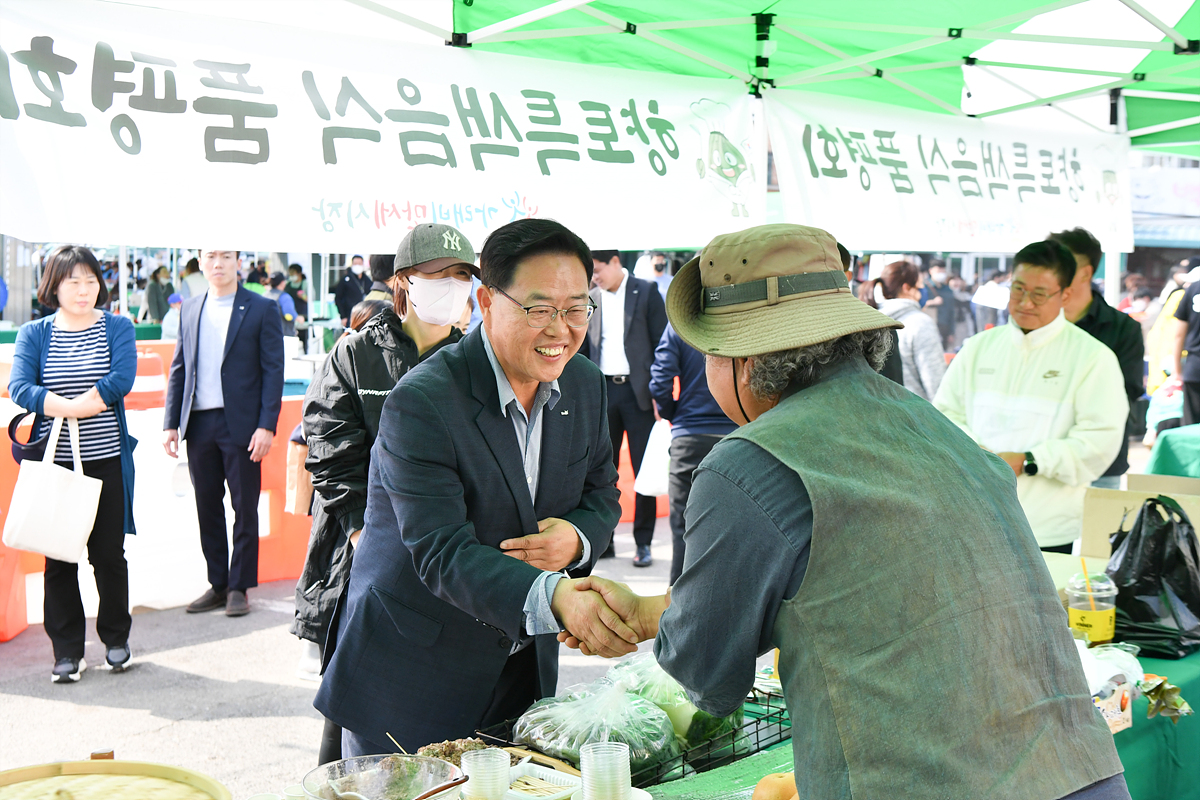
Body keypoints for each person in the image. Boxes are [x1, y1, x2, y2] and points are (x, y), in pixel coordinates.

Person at [557, 223, 1131, 800]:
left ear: (744, 360)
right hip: (1081, 771)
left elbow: (704, 672)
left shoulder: (748, 462)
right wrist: (654, 610)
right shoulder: (938, 430)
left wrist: (669, 624)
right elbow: (851, 588)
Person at [315, 218, 630, 756]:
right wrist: (557, 596)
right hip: (414, 670)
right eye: (539, 309)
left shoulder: (584, 383)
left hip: (522, 666)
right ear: (486, 301)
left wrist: (576, 539)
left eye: (576, 308)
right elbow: (441, 551)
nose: (560, 329)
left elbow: (602, 493)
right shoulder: (424, 400)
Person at [298, 224, 476, 764]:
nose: (453, 287)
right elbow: (329, 446)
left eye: (463, 277)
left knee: (439, 704)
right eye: (438, 276)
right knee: (358, 704)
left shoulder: (473, 362)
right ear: (403, 283)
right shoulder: (355, 356)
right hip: (366, 556)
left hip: (446, 558)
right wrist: (362, 533)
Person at [934, 240, 1128, 552]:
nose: (1025, 302)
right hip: (972, 517)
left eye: (1039, 294)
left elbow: (1099, 440)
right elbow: (942, 417)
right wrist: (975, 452)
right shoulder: (978, 348)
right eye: (1018, 289)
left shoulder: (1093, 358)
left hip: (1048, 529)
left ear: (1065, 294)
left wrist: (1029, 461)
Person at [8, 245, 138, 683]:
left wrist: (85, 405)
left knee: (108, 555)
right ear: (54, 286)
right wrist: (65, 407)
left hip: (105, 463)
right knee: (58, 559)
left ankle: (116, 639)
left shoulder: (117, 326)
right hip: (55, 466)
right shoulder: (35, 333)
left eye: (90, 281)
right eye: (73, 282)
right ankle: (67, 651)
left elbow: (121, 377)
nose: (84, 291)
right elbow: (20, 387)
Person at [163, 249, 285, 617]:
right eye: (211, 256)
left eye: (226, 256)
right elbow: (179, 367)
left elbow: (273, 371)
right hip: (199, 423)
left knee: (244, 507)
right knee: (207, 507)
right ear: (201, 263)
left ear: (238, 263)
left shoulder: (261, 308)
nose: (218, 264)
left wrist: (267, 425)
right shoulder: (190, 307)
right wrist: (171, 421)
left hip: (244, 425)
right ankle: (217, 583)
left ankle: (239, 586)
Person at [585, 250, 667, 567]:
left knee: (642, 468)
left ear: (616, 262)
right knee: (602, 471)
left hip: (638, 394)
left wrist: (660, 393)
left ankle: (643, 543)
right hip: (602, 392)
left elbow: (662, 343)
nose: (595, 276)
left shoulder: (645, 291)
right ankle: (604, 540)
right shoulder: (591, 298)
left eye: (598, 269)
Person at [1049, 228, 1145, 491]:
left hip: (1100, 462)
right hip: (1035, 459)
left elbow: (1127, 391)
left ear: (1086, 272)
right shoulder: (1034, 325)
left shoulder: (1123, 329)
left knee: (1099, 531)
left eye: (1060, 263)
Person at [648, 323, 735, 585]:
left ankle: (679, 604)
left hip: (689, 435)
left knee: (683, 527)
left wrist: (672, 413)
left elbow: (660, 378)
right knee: (735, 526)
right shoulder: (742, 318)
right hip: (738, 435)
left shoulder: (681, 325)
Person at [860, 260, 946, 401]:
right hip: (915, 413)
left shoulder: (870, 321)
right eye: (920, 286)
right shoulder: (920, 323)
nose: (922, 292)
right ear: (906, 288)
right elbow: (935, 382)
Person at [923, 259, 956, 350]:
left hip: (944, 328)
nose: (941, 274)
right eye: (938, 271)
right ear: (931, 271)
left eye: (943, 271)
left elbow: (951, 312)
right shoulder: (924, 287)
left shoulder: (947, 290)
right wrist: (931, 302)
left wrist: (951, 332)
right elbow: (918, 305)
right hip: (928, 327)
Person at [333, 255, 371, 327]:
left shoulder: (367, 280)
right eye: (355, 264)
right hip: (349, 316)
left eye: (359, 264)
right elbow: (338, 298)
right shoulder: (345, 280)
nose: (357, 266)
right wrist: (343, 316)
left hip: (365, 316)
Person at [265, 272, 298, 339]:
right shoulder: (284, 297)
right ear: (282, 283)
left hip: (266, 334)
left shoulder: (264, 295)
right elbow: (289, 314)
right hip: (284, 335)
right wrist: (299, 318)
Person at [285, 264, 310, 353]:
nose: (291, 275)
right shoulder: (288, 284)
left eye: (293, 273)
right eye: (290, 273)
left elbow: (311, 300)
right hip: (290, 316)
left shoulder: (305, 284)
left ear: (299, 273)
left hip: (302, 316)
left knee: (304, 339)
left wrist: (303, 296)